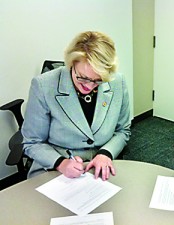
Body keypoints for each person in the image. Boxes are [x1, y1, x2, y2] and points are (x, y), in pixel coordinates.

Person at [21, 31, 131, 180]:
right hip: (55, 165)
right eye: (83, 78)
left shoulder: (117, 81)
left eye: (98, 80)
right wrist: (61, 163)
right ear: (71, 64)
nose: (89, 86)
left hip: (101, 164)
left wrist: (105, 153)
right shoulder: (43, 86)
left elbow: (122, 131)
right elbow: (32, 142)